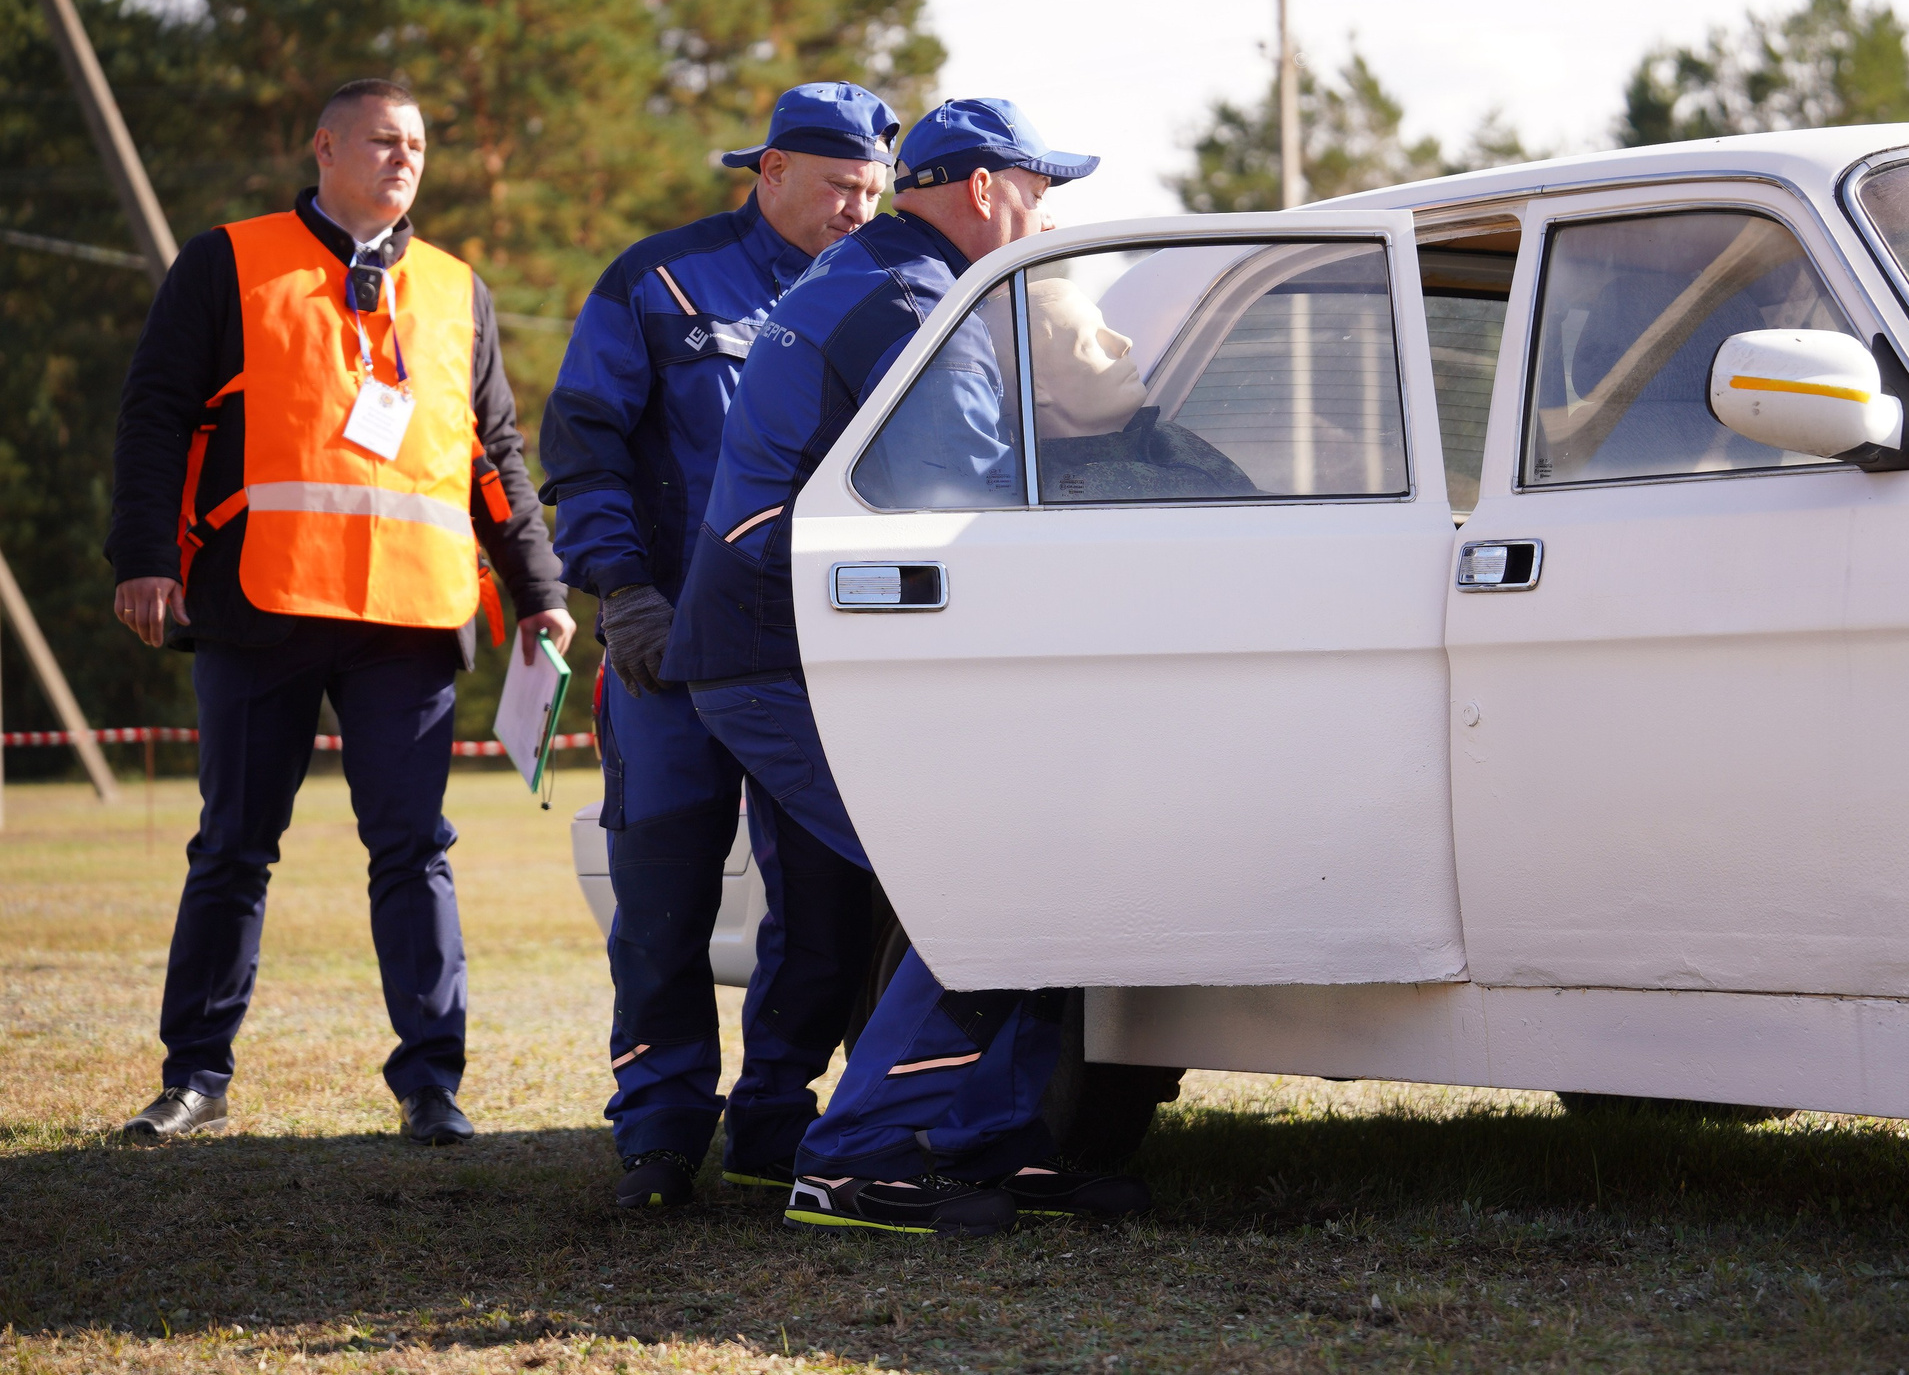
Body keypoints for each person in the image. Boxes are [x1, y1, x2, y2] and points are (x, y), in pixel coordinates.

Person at [661, 97, 1148, 1235]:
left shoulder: (885, 276)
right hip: (784, 654)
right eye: (1038, 195)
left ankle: (993, 1144)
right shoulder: (910, 302)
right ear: (984, 189)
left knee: (1009, 873)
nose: (1045, 219)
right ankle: (855, 1159)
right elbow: (968, 506)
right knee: (986, 879)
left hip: (783, 644)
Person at [106, 78, 574, 1146]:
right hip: (258, 600)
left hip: (409, 619)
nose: (403, 158)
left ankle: (430, 1085)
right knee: (233, 845)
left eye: (416, 143)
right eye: (380, 139)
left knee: (414, 849)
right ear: (323, 147)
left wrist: (539, 590)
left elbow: (493, 458)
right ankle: (196, 1076)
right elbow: (155, 417)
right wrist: (142, 557)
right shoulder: (227, 259)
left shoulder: (460, 290)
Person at [539, 83, 902, 1210]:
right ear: (772, 170)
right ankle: (657, 1137)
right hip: (668, 658)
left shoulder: (896, 293)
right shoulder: (660, 280)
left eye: (872, 188)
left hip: (815, 658)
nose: (856, 209)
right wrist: (623, 591)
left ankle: (774, 1123)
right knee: (662, 903)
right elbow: (584, 448)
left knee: (831, 901)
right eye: (837, 185)